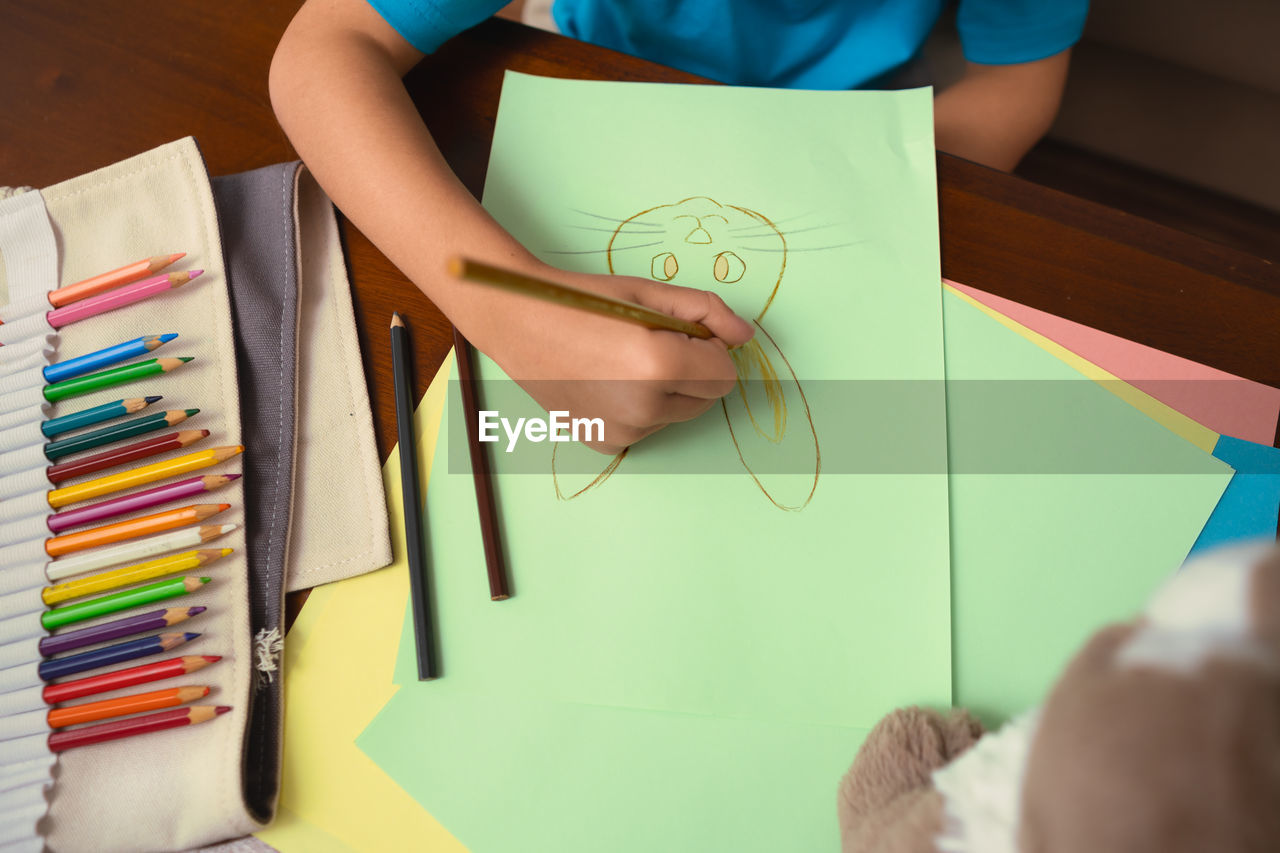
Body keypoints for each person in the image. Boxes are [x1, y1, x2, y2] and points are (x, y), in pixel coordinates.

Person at [269, 0, 1086, 453]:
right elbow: (325, 49)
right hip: (602, 79)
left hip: (859, 124)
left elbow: (1015, 89)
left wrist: (878, 193)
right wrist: (507, 306)